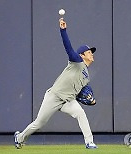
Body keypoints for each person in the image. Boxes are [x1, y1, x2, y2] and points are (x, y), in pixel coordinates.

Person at [14, 18, 97, 149]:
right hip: (54, 96)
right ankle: (19, 138)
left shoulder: (86, 77)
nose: (91, 54)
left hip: (68, 100)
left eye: (92, 52)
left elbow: (80, 92)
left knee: (80, 113)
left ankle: (89, 142)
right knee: (39, 123)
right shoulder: (77, 61)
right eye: (89, 52)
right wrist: (63, 30)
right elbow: (68, 48)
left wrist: (90, 100)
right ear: (82, 55)